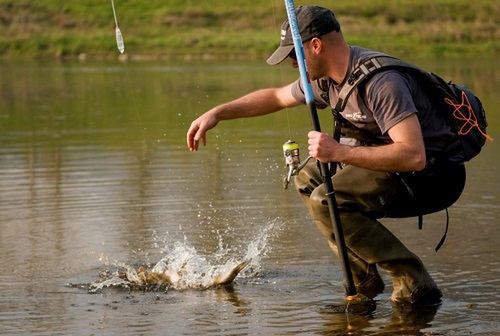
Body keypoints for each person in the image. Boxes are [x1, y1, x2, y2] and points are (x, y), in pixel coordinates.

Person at [186, 5, 466, 305]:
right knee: (307, 177)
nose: (293, 65)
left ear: (316, 45)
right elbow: (276, 96)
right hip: (395, 169)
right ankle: (363, 276)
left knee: (327, 198)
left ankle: (414, 281)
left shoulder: (382, 84)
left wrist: (338, 151)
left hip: (434, 177)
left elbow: (413, 156)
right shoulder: (325, 79)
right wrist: (218, 113)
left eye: (295, 55)